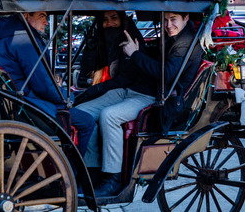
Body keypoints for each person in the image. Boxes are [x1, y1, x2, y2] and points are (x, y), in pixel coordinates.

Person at [75, 11, 203, 197]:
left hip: (152, 97)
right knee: (82, 113)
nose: (168, 25)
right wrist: (138, 50)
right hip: (132, 90)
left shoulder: (186, 43)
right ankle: (91, 171)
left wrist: (135, 54)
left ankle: (112, 178)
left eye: (173, 20)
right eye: (165, 20)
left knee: (109, 116)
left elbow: (166, 74)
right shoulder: (172, 39)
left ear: (186, 18)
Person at [0, 11, 94, 157]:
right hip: (27, 105)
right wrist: (69, 97)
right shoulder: (24, 40)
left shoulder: (0, 37)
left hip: (10, 100)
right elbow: (43, 86)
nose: (46, 22)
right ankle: (76, 172)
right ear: (26, 15)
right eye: (42, 16)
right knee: (87, 121)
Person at [77, 11, 145, 88]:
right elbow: (87, 73)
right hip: (105, 87)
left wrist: (100, 88)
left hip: (128, 91)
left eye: (114, 18)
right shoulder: (100, 41)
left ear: (121, 20)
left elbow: (128, 77)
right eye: (105, 19)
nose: (109, 22)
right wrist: (90, 52)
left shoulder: (132, 43)